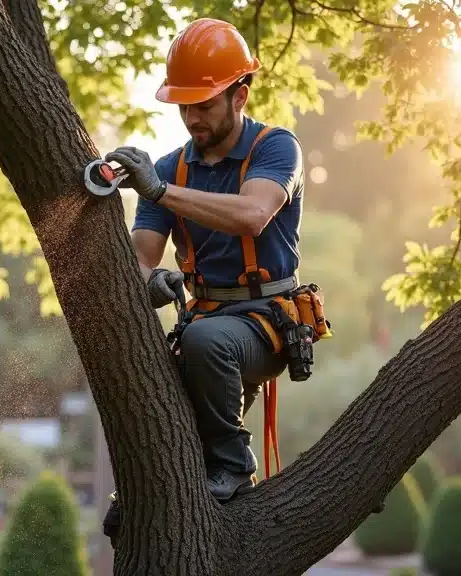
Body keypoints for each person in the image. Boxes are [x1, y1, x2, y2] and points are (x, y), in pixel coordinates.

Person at [104, 17, 305, 503]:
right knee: (157, 382)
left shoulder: (276, 148)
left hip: (265, 323)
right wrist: (151, 284)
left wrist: (159, 190)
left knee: (205, 340)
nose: (193, 117)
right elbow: (141, 260)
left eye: (205, 104)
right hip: (205, 323)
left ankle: (234, 466)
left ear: (240, 95)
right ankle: (146, 501)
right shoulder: (169, 169)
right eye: (184, 106)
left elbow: (254, 214)